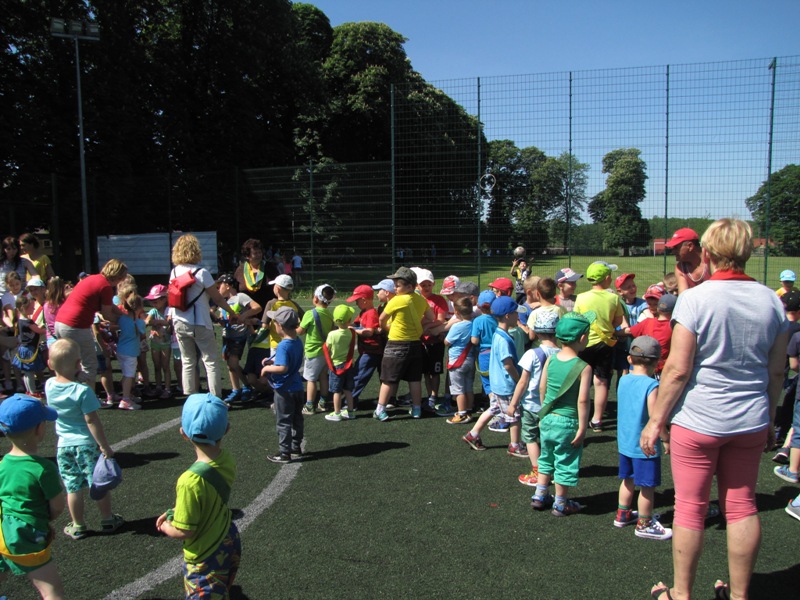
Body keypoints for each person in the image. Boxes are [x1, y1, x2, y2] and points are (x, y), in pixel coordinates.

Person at [640, 219, 789, 600]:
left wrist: (656, 421)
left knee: (690, 508)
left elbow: (677, 370)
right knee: (742, 506)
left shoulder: (695, 299)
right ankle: (738, 595)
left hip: (698, 420)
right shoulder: (772, 300)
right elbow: (777, 370)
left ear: (706, 253)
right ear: (749, 251)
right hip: (751, 418)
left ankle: (681, 594)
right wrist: (770, 417)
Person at [156, 393, 241, 599]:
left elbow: (184, 531)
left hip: (205, 552)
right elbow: (207, 499)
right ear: (227, 430)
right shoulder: (226, 459)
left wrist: (166, 526)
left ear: (183, 433)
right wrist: (176, 510)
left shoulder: (189, 481)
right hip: (228, 538)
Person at [45, 338, 123, 540]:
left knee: (72, 487)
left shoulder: (49, 385)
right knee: (98, 484)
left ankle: (78, 525)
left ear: (50, 364)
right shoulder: (82, 391)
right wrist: (104, 446)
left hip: (63, 445)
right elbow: (91, 420)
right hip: (85, 444)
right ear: (78, 363)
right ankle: (107, 519)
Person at [0, 394, 65, 599]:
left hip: (2, 527)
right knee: (51, 589)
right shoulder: (43, 468)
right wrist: (42, 523)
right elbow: (57, 506)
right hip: (26, 532)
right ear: (39, 429)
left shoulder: (2, 464)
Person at [531, 312, 594, 517]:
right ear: (582, 338)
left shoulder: (550, 360)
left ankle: (540, 494)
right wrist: (582, 427)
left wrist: (544, 412)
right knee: (565, 461)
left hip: (548, 417)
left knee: (546, 457)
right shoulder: (584, 367)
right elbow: (582, 400)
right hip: (568, 421)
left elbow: (542, 388)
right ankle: (560, 503)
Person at [614, 336, 672, 540]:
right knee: (647, 486)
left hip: (625, 442)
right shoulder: (651, 385)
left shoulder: (623, 379)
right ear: (657, 362)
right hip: (645, 446)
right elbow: (655, 417)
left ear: (630, 359)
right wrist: (666, 438)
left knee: (628, 480)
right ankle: (644, 523)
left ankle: (623, 514)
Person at [170, 234, 237, 399]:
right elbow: (218, 298)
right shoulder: (202, 273)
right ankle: (215, 398)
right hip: (199, 321)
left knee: (188, 361)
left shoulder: (174, 272)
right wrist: (232, 312)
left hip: (179, 321)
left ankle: (190, 399)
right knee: (210, 361)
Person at [462, 296, 527, 457]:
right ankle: (515, 445)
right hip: (507, 385)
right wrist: (519, 380)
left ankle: (473, 434)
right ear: (508, 316)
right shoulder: (504, 339)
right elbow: (508, 364)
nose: (518, 316)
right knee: (514, 414)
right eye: (516, 313)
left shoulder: (498, 334)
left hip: (498, 383)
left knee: (494, 408)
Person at [373, 267, 435, 421]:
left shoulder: (397, 300)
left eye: (398, 285)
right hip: (415, 344)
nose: (395, 288)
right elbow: (431, 317)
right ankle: (416, 409)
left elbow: (382, 319)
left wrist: (387, 328)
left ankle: (380, 409)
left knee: (388, 379)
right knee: (414, 379)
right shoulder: (421, 300)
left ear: (409, 286)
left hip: (396, 343)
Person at [54, 258, 127, 386]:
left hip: (60, 322)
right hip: (76, 325)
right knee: (89, 364)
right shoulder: (105, 287)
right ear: (118, 276)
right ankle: (88, 395)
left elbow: (109, 305)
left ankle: (67, 390)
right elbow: (107, 314)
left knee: (68, 363)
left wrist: (122, 315)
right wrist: (124, 321)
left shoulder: (92, 278)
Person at [509, 311, 561, 486]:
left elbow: (523, 382)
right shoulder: (562, 354)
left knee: (530, 438)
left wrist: (513, 403)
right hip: (553, 407)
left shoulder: (532, 354)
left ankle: (538, 471)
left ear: (537, 332)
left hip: (532, 405)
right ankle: (551, 469)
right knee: (549, 440)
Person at [574, 262, 626, 432]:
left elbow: (577, 319)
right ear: (607, 278)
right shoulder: (613, 298)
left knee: (582, 381)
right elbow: (618, 321)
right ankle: (597, 420)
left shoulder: (581, 297)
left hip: (585, 343)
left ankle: (579, 415)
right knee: (602, 382)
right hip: (605, 345)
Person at [259, 306, 305, 463]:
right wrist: (273, 362)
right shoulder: (297, 341)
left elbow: (283, 368)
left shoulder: (283, 345)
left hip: (285, 389)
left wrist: (267, 368)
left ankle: (285, 452)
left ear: (280, 325)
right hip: (298, 387)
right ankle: (296, 446)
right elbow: (288, 362)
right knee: (297, 419)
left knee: (284, 420)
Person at [214, 274, 260, 406]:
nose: (218, 289)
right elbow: (225, 318)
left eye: (220, 286)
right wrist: (221, 321)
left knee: (233, 363)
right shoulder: (224, 302)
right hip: (227, 335)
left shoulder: (240, 297)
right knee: (230, 364)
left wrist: (244, 316)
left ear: (228, 285)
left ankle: (246, 385)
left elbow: (257, 307)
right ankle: (236, 389)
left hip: (239, 336)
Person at [297, 284, 335, 414]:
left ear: (316, 298)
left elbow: (300, 331)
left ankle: (309, 405)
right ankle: (323, 402)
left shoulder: (310, 313)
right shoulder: (329, 314)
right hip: (325, 351)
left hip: (313, 352)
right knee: (323, 376)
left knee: (311, 379)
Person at [347, 284, 384, 406]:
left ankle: (349, 402)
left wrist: (352, 330)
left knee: (359, 375)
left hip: (372, 351)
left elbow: (369, 332)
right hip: (367, 350)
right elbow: (356, 323)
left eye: (357, 300)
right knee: (357, 373)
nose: (356, 303)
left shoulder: (371, 313)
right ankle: (352, 399)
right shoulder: (364, 312)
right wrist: (344, 325)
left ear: (364, 300)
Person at [444, 297, 476, 424]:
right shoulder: (474, 323)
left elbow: (447, 342)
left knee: (458, 390)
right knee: (468, 387)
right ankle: (468, 410)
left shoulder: (457, 326)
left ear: (456, 312)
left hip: (457, 360)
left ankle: (461, 413)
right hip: (470, 358)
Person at [324, 304, 359, 422]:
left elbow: (327, 348)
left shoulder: (332, 334)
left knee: (337, 391)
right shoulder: (352, 332)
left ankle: (337, 413)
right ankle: (350, 411)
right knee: (348, 390)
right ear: (349, 320)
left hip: (336, 366)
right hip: (348, 365)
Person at [233, 239, 279, 320]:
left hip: (267, 314)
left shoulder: (270, 268)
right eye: (255, 253)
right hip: (246, 316)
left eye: (259, 252)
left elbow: (279, 287)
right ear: (247, 256)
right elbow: (234, 291)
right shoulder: (240, 270)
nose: (258, 255)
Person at [115, 290, 146, 410]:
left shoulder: (122, 319)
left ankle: (127, 394)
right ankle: (125, 400)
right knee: (129, 376)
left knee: (126, 374)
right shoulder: (139, 322)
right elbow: (143, 333)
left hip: (121, 350)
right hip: (130, 352)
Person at [11, 294, 47, 398]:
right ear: (23, 308)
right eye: (31, 307)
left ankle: (28, 390)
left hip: (23, 348)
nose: (34, 309)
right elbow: (39, 331)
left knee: (27, 372)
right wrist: (48, 329)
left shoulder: (20, 321)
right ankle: (32, 391)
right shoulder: (27, 322)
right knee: (30, 372)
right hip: (29, 349)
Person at [144, 284, 173, 400]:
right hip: (155, 342)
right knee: (157, 366)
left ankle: (167, 388)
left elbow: (169, 323)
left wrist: (157, 322)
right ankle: (158, 386)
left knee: (165, 366)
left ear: (164, 299)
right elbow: (147, 321)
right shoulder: (153, 311)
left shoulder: (169, 310)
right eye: (152, 301)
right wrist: (159, 322)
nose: (153, 304)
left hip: (166, 342)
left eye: (156, 301)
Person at [666, 227, 710, 294]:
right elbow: (683, 296)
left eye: (676, 248)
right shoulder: (680, 268)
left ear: (690, 246)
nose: (673, 252)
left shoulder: (711, 260)